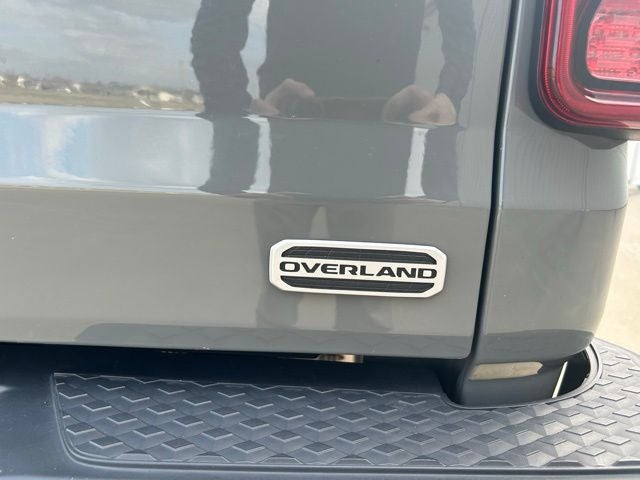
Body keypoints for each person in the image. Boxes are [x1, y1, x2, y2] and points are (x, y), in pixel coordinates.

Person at [191, 0, 474, 330]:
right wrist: (449, 93)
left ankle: (279, 351)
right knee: (348, 301)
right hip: (333, 124)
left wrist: (232, 102)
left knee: (284, 297)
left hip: (348, 125)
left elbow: (216, 27)